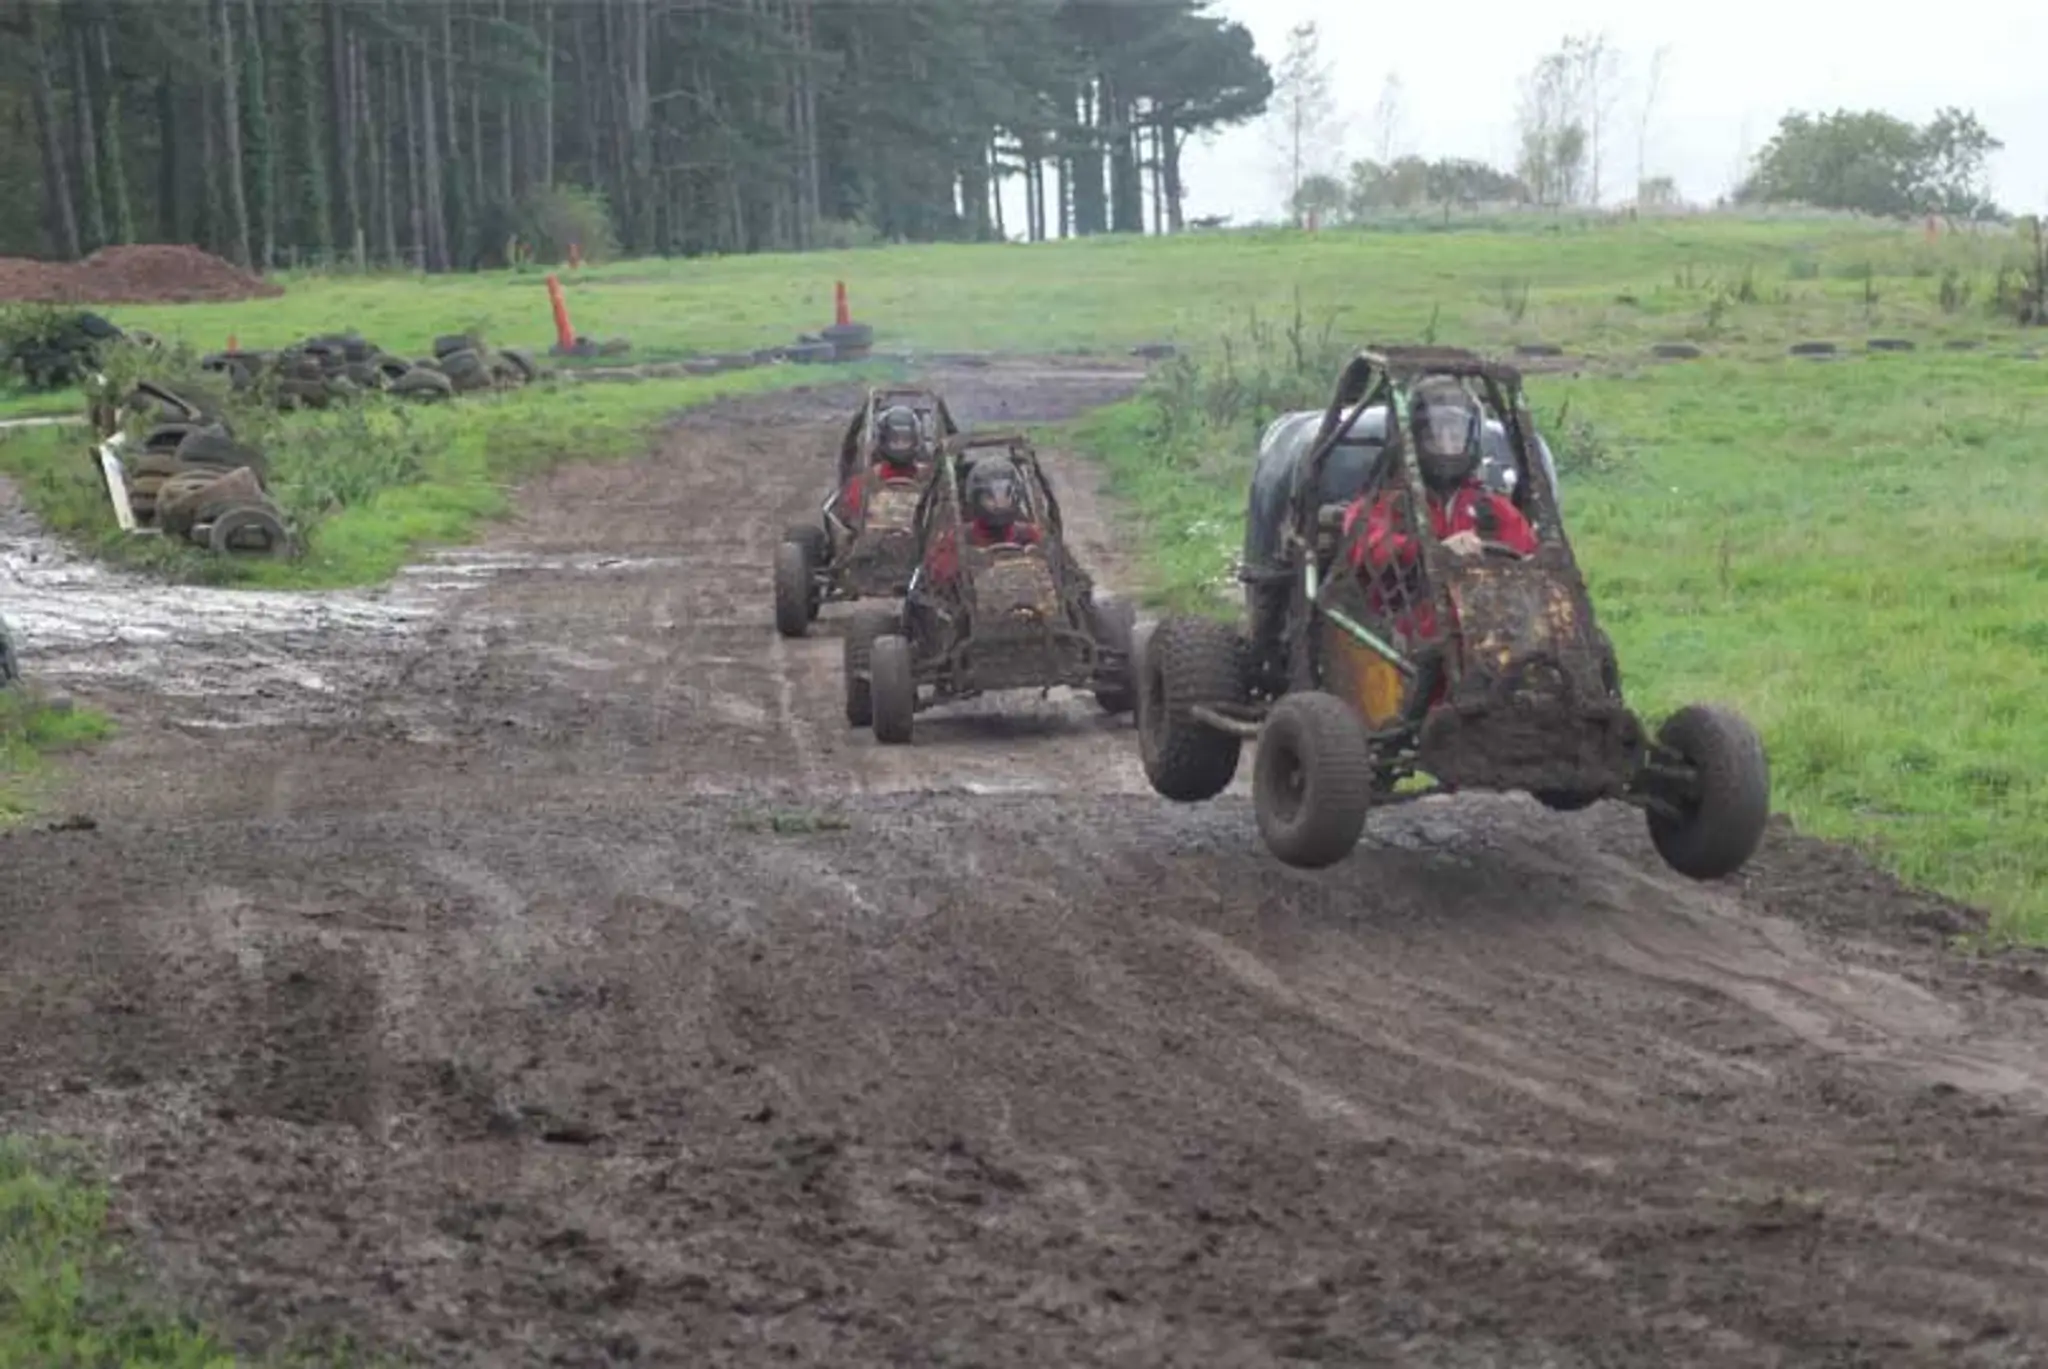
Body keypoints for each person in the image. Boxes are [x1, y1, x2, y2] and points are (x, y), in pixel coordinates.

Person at [1343, 376, 1538, 642]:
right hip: (1406, 644)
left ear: (1471, 438)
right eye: (1434, 436)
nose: (1447, 445)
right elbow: (1369, 549)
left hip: (1487, 640)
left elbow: (1533, 559)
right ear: (1411, 440)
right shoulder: (1382, 505)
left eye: (1455, 435)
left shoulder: (1492, 510)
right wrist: (1435, 551)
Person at [924, 457, 1042, 584]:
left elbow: (1053, 570)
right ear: (976, 499)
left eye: (1006, 498)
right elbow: (937, 577)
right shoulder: (958, 539)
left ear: (1016, 498)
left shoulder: (1029, 534)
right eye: (990, 499)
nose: (999, 505)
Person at [837, 404, 926, 522]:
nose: (900, 446)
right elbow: (850, 517)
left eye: (905, 440)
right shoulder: (866, 481)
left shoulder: (927, 479)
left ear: (915, 441)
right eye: (895, 440)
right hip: (871, 532)